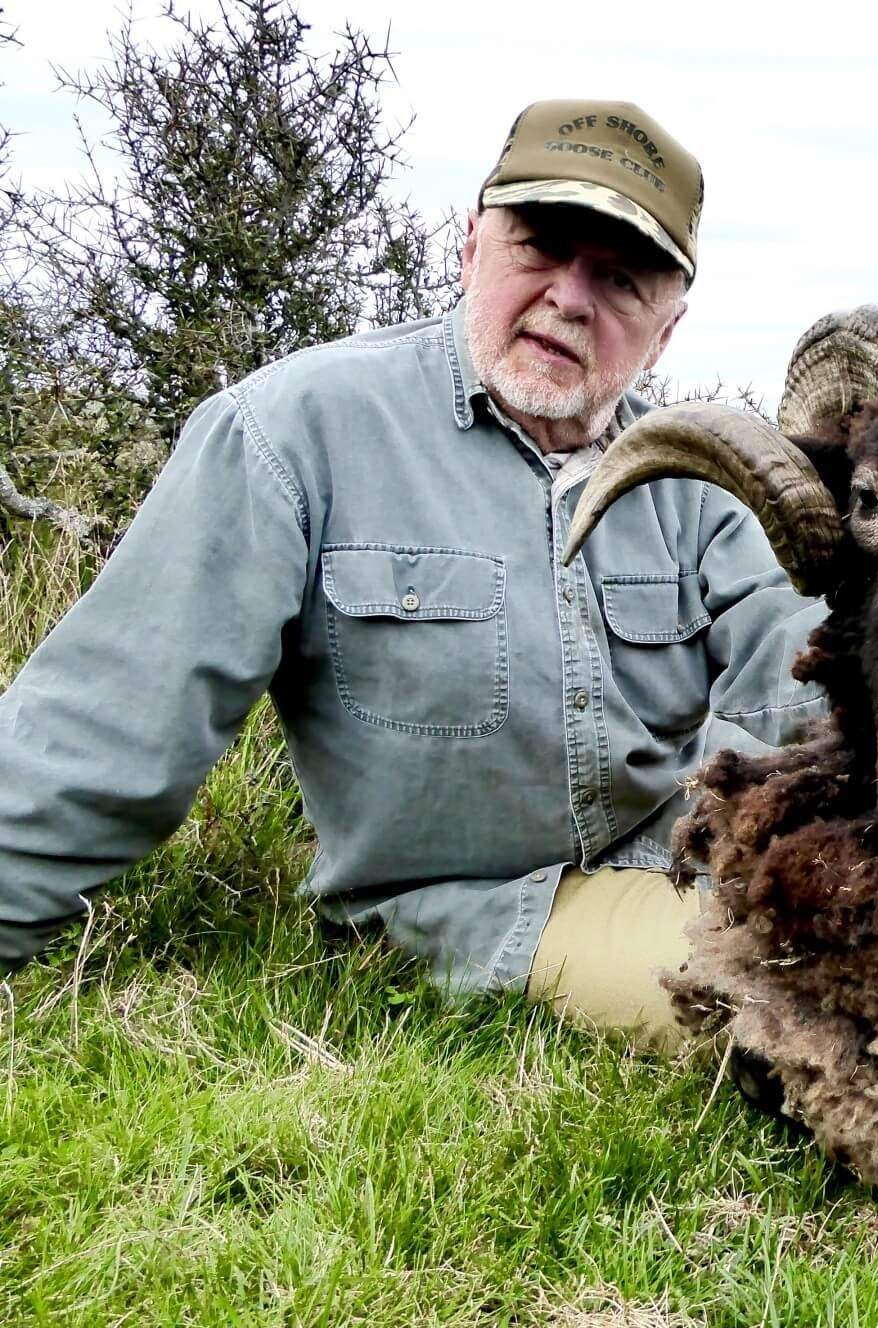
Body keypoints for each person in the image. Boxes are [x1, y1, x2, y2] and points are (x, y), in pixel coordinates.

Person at [0, 100, 827, 1046]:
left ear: (665, 329)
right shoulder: (290, 432)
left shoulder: (700, 479)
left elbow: (807, 672)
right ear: (471, 245)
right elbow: (102, 732)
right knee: (800, 1000)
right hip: (470, 915)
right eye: (540, 246)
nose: (569, 297)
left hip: (685, 868)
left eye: (621, 280)